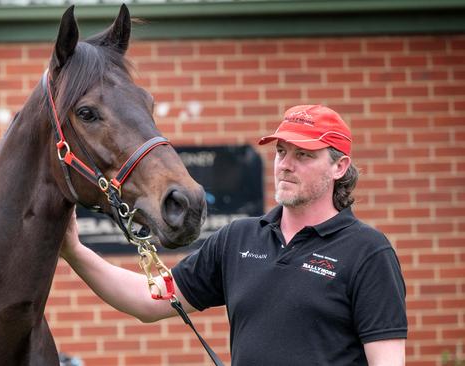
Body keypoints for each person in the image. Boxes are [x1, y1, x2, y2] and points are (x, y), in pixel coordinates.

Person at [60, 104, 407, 365]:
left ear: (339, 166)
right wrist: (74, 251)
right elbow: (148, 300)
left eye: (304, 155)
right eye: (281, 152)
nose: (286, 164)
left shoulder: (368, 252)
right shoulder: (240, 239)